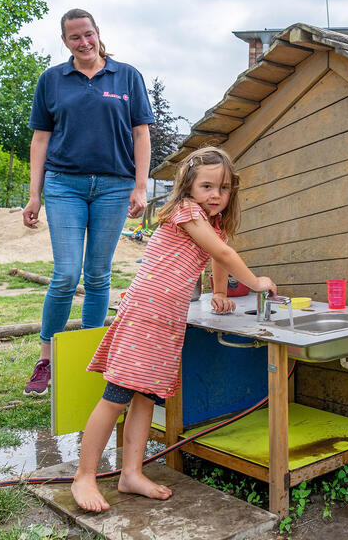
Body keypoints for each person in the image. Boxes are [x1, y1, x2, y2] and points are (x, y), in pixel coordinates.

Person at [71, 147, 277, 512]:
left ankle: (131, 473)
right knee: (116, 395)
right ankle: (84, 476)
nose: (216, 195)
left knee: (146, 396)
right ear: (188, 188)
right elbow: (226, 256)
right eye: (208, 186)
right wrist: (257, 282)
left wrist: (217, 291)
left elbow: (218, 254)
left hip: (166, 320)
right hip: (147, 313)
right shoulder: (186, 212)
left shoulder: (211, 226)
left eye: (224, 188)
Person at [22, 8, 154, 396]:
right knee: (66, 274)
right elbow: (40, 140)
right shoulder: (51, 80)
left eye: (88, 34)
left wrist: (140, 186)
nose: (83, 42)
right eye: (74, 37)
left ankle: (93, 357)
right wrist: (35, 195)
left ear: (98, 33)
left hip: (115, 186)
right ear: (65, 42)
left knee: (98, 275)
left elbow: (141, 134)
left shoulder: (127, 76)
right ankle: (46, 358)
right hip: (64, 186)